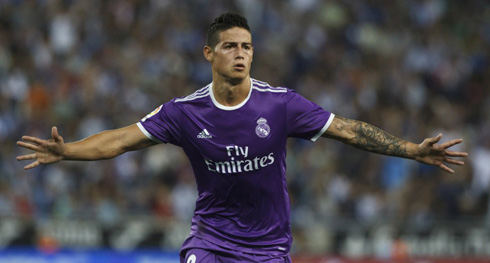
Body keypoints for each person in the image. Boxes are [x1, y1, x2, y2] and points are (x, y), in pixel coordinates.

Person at [17, 12, 468, 263]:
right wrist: (68, 151)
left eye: (247, 46)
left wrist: (410, 149)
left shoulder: (281, 104)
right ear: (210, 53)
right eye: (231, 46)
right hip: (209, 240)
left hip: (269, 248)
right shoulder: (184, 112)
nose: (241, 54)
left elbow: (347, 130)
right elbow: (120, 140)